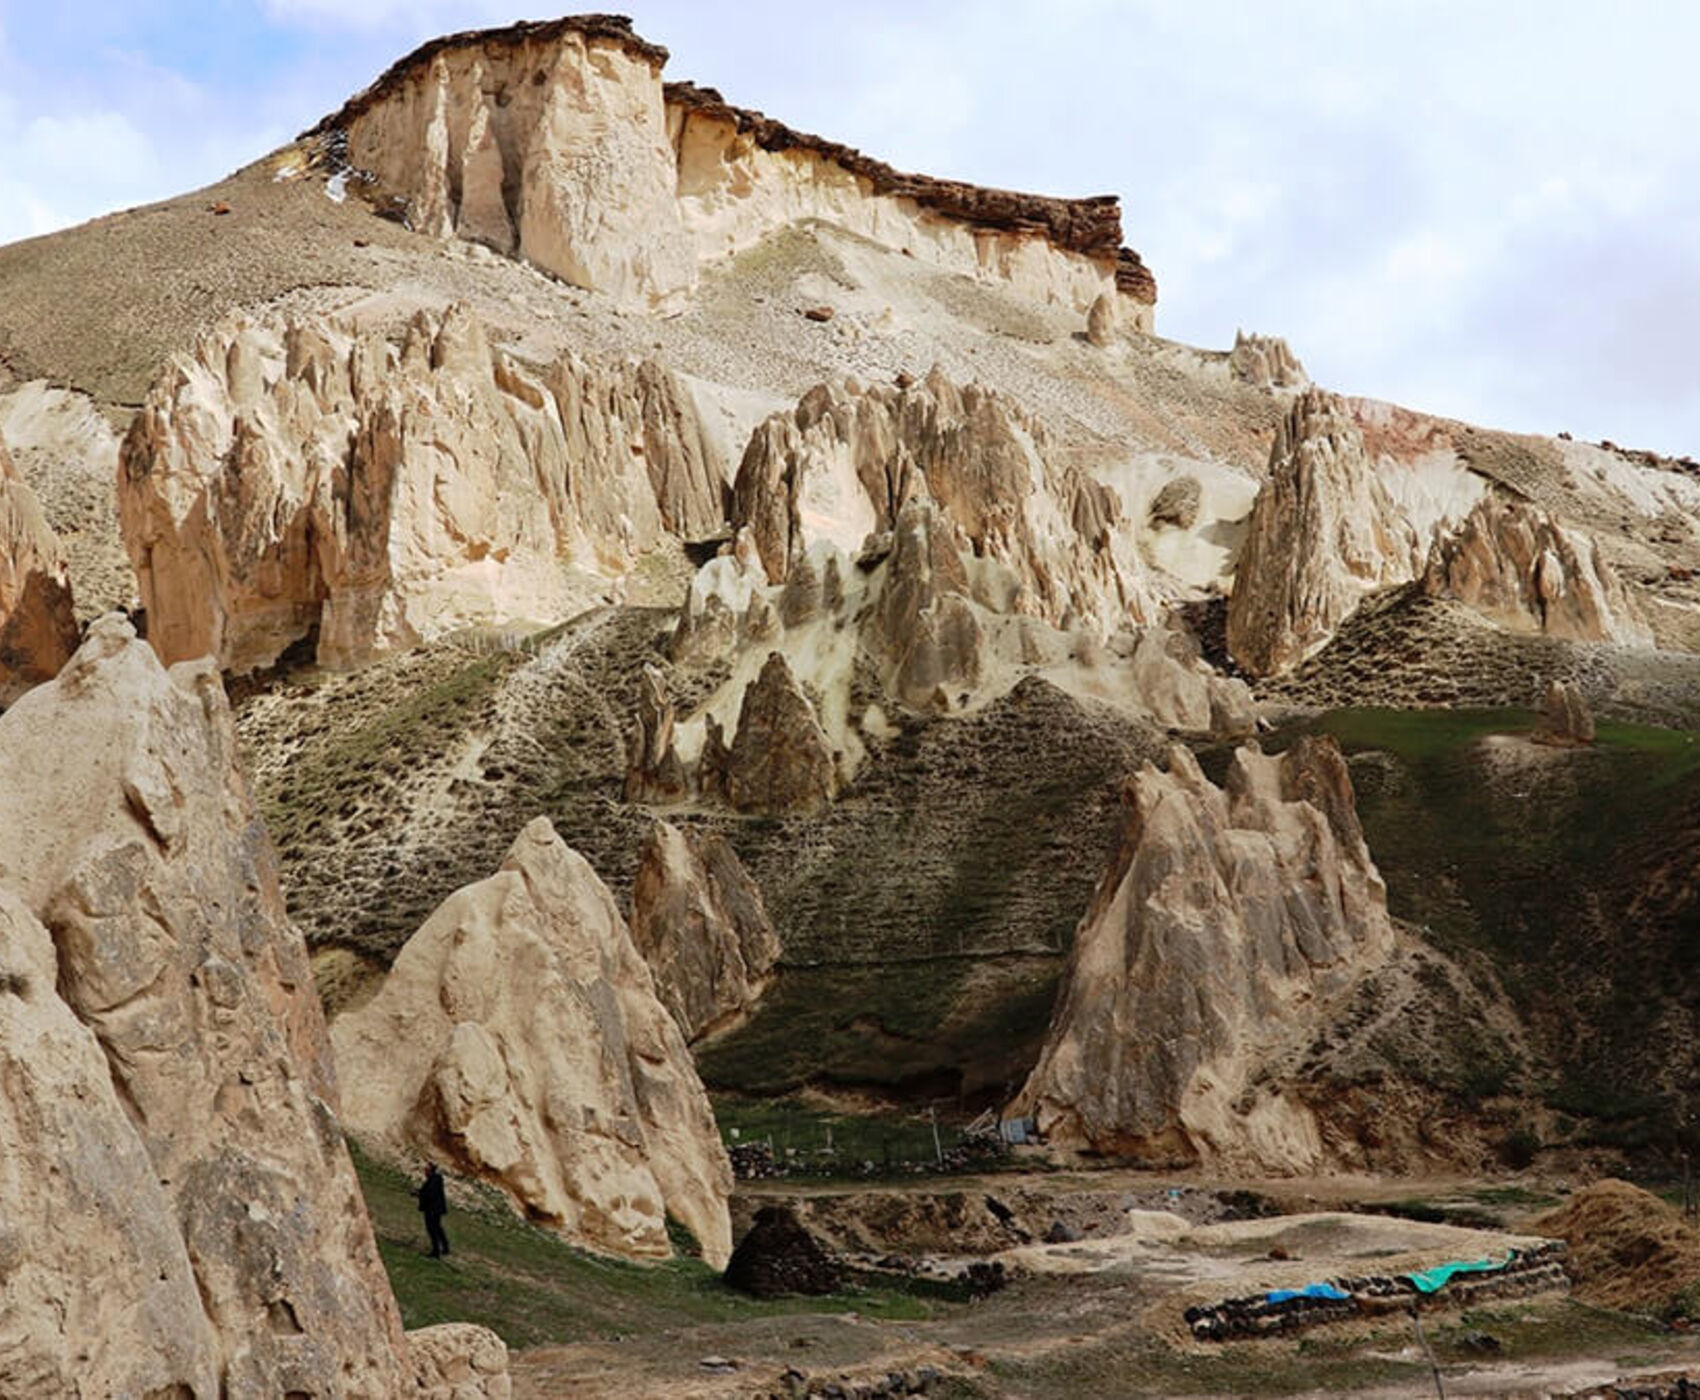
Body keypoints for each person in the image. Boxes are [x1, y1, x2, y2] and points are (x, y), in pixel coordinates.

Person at [416, 1162, 450, 1258]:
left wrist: (419, 1194)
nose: (425, 1172)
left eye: (426, 1170)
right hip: (435, 1209)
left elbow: (429, 1194)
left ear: (430, 1171)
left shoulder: (434, 1180)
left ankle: (436, 1251)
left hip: (432, 1209)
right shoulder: (434, 1179)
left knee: (432, 1229)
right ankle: (445, 1247)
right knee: (437, 1228)